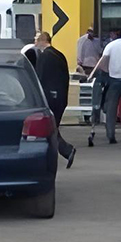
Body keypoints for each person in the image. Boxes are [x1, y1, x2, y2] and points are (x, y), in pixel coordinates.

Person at [33, 31, 76, 168]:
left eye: (36, 39)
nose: (34, 42)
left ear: (42, 40)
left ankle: (65, 151)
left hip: (49, 98)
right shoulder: (59, 55)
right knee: (51, 128)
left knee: (49, 129)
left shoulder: (44, 56)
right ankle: (63, 152)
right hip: (60, 98)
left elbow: (39, 78)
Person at [88, 27, 121, 146]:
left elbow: (102, 63)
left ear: (114, 34)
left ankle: (111, 134)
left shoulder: (111, 46)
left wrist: (94, 75)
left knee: (111, 109)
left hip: (114, 81)